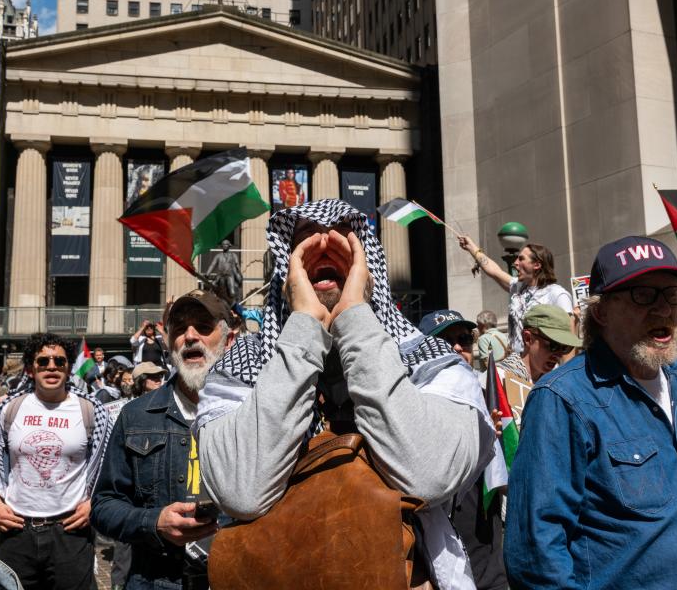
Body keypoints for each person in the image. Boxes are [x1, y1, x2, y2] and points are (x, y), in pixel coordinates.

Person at [195, 200, 495, 588]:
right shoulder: (240, 365)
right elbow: (240, 490)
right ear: (286, 275)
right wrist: (305, 328)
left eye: (342, 247)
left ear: (369, 266)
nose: (322, 249)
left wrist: (354, 317)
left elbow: (429, 475)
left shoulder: (431, 359)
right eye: (304, 247)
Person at [504, 235, 677, 589]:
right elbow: (536, 553)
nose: (663, 309)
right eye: (643, 295)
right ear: (601, 311)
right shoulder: (562, 399)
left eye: (671, 294)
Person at [92, 289, 238, 589]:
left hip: (233, 577)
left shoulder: (252, 413)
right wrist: (155, 522)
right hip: (156, 578)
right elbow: (104, 506)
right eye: (180, 328)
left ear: (229, 340)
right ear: (170, 343)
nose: (190, 336)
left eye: (203, 326)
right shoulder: (136, 416)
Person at [0, 332, 110, 590]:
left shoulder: (91, 411)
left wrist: (93, 504)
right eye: (43, 361)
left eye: (59, 361)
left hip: (69, 531)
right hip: (16, 531)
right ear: (30, 368)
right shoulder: (10, 409)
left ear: (69, 368)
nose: (51, 366)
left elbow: (108, 465)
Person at [419, 308, 505, 590]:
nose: (457, 347)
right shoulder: (415, 403)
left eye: (465, 339)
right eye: (445, 341)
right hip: (443, 561)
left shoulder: (488, 397)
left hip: (490, 562)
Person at [457, 236, 573, 354]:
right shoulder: (517, 287)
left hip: (543, 368)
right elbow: (493, 270)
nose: (515, 263)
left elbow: (568, 341)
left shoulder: (557, 294)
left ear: (537, 265)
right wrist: (471, 247)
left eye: (521, 259)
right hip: (515, 364)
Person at [495, 304, 580, 386]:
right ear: (527, 338)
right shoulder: (500, 378)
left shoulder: (555, 378)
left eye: (565, 348)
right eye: (553, 346)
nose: (558, 355)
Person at [205, 239, 243, 304]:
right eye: (223, 245)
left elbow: (237, 265)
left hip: (229, 275)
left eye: (226, 244)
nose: (224, 246)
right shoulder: (218, 256)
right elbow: (212, 265)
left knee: (232, 292)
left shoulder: (233, 255)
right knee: (221, 293)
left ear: (229, 245)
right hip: (220, 276)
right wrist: (208, 273)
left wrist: (240, 274)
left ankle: (234, 306)